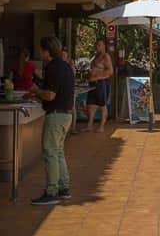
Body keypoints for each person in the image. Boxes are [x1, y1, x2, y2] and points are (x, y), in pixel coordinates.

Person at [27, 36, 75, 205]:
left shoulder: (53, 68)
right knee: (58, 151)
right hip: (66, 115)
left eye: (41, 49)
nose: (40, 52)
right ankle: (64, 187)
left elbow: (50, 95)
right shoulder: (66, 66)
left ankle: (52, 191)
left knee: (50, 152)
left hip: (55, 115)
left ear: (47, 50)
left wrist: (35, 90)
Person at [85, 38, 113, 133]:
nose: (97, 47)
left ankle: (101, 126)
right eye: (96, 45)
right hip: (92, 84)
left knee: (102, 105)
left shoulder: (106, 56)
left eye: (99, 45)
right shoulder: (95, 56)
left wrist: (97, 77)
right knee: (90, 105)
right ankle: (89, 125)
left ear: (104, 46)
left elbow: (110, 71)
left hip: (101, 84)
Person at [61, 46, 78, 134]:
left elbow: (73, 74)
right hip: (63, 89)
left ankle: (73, 127)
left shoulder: (70, 63)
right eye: (62, 53)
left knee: (72, 108)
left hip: (70, 88)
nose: (63, 54)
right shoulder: (60, 63)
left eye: (65, 53)